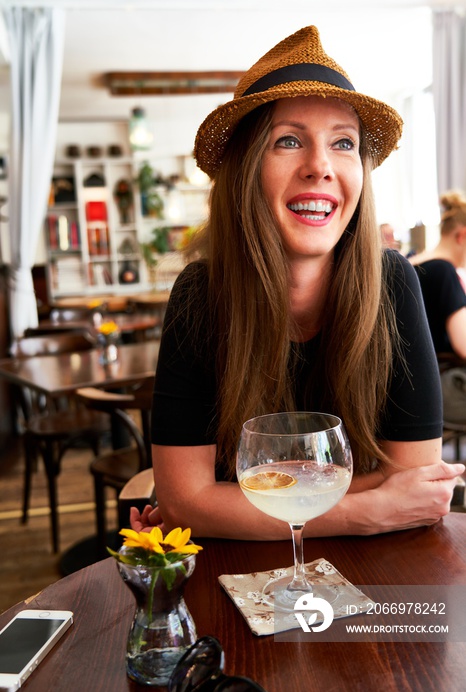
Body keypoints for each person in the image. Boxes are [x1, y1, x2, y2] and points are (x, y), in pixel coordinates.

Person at [132, 26, 463, 539]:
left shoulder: (394, 282)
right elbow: (185, 505)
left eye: (343, 143)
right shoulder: (201, 295)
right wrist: (367, 506)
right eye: (288, 140)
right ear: (244, 170)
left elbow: (414, 483)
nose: (320, 166)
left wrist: (229, 501)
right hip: (240, 577)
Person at [409, 190, 466, 422]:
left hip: (407, 389)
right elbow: (464, 345)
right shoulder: (443, 271)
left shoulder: (409, 264)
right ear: (462, 236)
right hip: (434, 391)